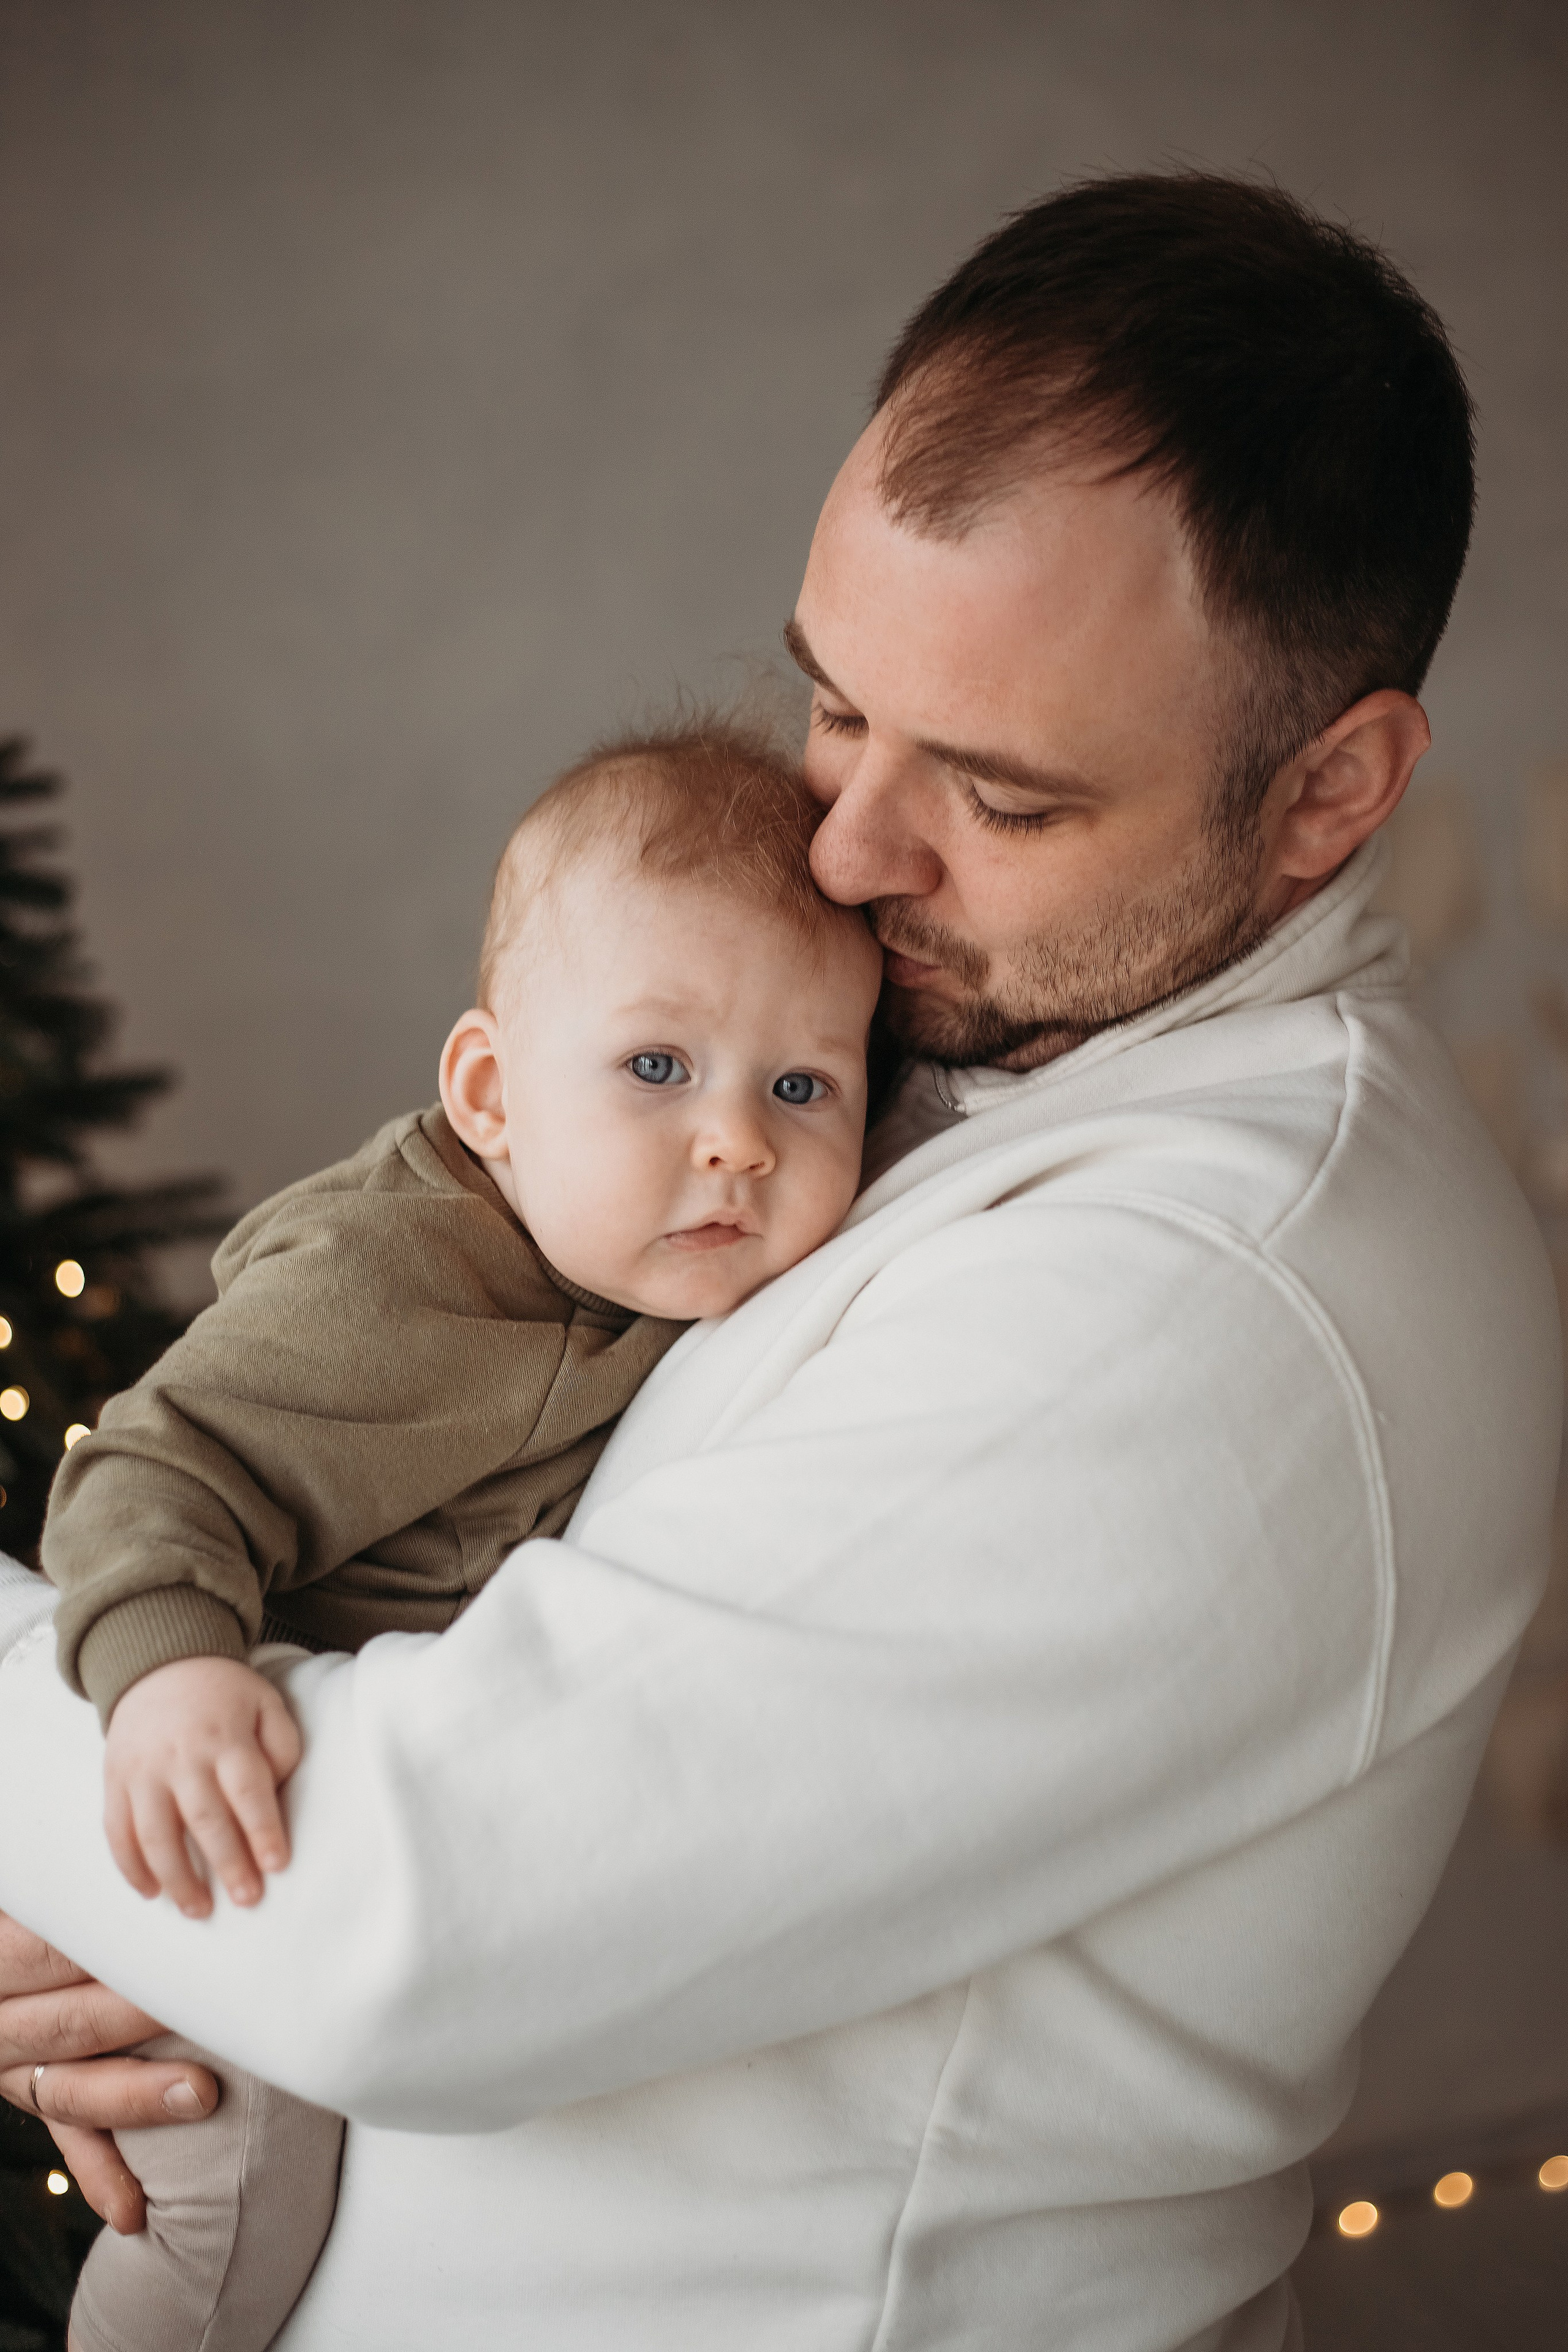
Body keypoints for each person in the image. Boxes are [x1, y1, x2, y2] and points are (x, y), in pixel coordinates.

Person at [0, 171, 1559, 2352]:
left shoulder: (1225, 1297)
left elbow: (408, 1919)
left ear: (1327, 792)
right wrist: (130, 1934)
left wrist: (76, 1813)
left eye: (1000, 798)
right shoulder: (978, 1045)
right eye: (833, 702)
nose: (840, 847)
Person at [37, 723, 880, 2352]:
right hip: (225, 1833)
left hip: (406, 1870)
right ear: (491, 1094)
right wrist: (170, 1679)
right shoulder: (399, 1285)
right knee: (223, 2222)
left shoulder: (664, 1262)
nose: (737, 1140)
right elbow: (148, 1463)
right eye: (657, 1069)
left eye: (804, 1087)